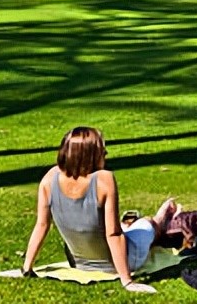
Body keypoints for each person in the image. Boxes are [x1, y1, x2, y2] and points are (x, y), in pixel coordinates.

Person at [20, 126, 175, 294]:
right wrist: (127, 281)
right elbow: (113, 235)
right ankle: (161, 220)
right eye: (102, 150)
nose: (106, 153)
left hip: (77, 262)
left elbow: (41, 225)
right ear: (89, 155)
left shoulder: (49, 178)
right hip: (121, 262)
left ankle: (134, 224)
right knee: (148, 224)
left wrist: (26, 268)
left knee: (124, 228)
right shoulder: (104, 179)